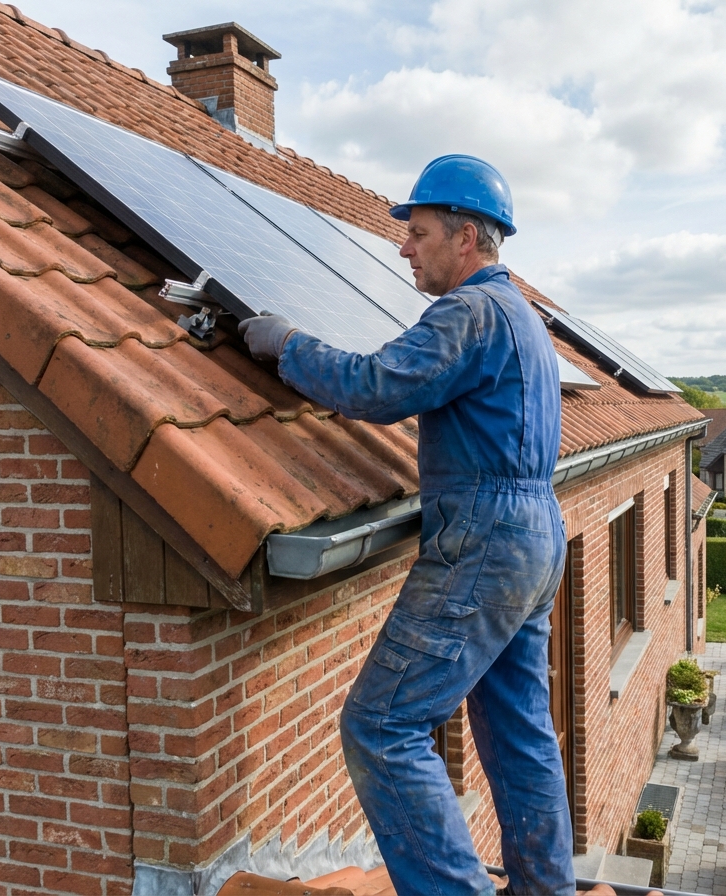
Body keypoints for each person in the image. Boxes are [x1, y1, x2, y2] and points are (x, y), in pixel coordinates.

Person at [239, 155, 574, 896]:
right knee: (519, 731)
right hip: (536, 533)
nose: (403, 247)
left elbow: (377, 386)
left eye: (418, 233)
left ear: (466, 238)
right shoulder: (526, 320)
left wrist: (285, 345)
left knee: (382, 726)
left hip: (486, 538)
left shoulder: (469, 313)